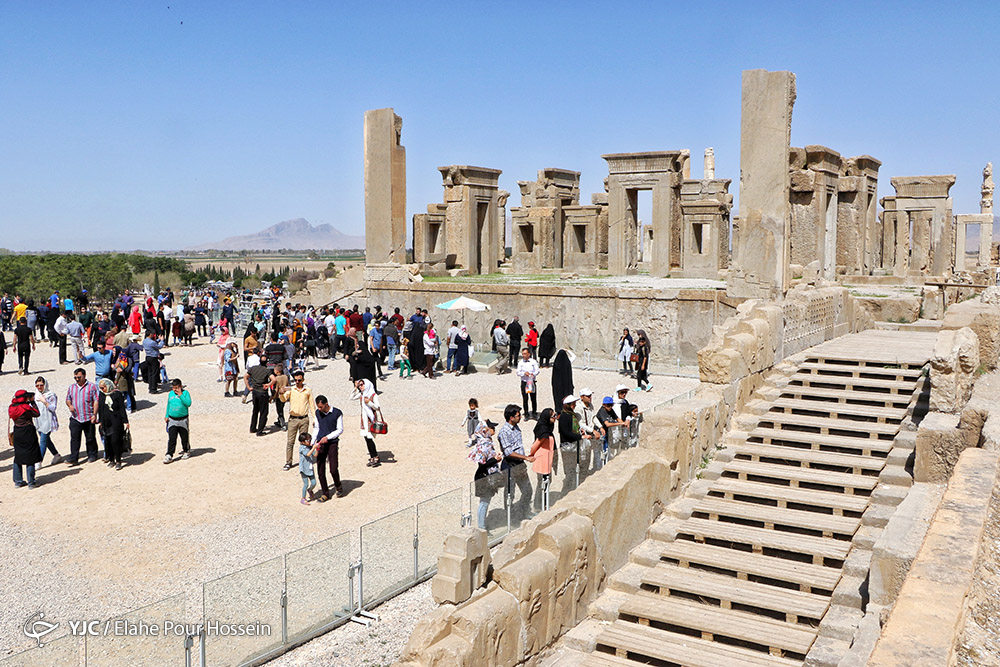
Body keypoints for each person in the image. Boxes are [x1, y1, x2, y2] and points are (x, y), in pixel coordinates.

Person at [496, 404, 534, 516]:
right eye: (518, 415)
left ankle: (521, 513)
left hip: (519, 464)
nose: (520, 417)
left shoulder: (516, 427)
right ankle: (510, 518)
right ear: (511, 418)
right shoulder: (504, 432)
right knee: (509, 494)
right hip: (510, 465)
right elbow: (508, 452)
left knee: (527, 490)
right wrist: (526, 457)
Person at [468, 419, 502, 529]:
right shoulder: (483, 444)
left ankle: (482, 527)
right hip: (484, 477)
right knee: (484, 503)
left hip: (487, 476)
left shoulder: (486, 441)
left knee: (485, 502)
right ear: (485, 430)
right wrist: (495, 460)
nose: (494, 429)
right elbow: (482, 464)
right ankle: (481, 528)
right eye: (491, 427)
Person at [311, 394, 345, 501]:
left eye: (321, 407)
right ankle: (325, 493)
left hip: (332, 443)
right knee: (320, 469)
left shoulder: (337, 413)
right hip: (321, 443)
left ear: (326, 404)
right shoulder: (318, 413)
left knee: (333, 468)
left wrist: (328, 437)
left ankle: (338, 486)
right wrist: (312, 442)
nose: (319, 409)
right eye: (318, 407)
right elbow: (317, 427)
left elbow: (340, 429)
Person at [282, 370, 314, 472]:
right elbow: (283, 399)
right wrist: (280, 393)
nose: (297, 382)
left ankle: (304, 460)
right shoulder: (291, 390)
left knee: (304, 441)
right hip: (293, 419)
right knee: (290, 442)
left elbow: (312, 405)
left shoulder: (308, 390)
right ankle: (288, 461)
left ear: (303, 380)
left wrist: (315, 418)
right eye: (295, 380)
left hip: (304, 418)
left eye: (299, 380)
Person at [8, 389, 41, 488]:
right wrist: (32, 402)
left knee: (18, 457)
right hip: (28, 432)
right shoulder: (25, 407)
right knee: (30, 457)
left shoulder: (12, 407)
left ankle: (18, 481)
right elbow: (37, 413)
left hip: (17, 431)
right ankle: (31, 482)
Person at [98, 377, 129, 470]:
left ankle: (118, 460)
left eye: (103, 387)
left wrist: (125, 421)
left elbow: (122, 409)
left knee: (115, 441)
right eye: (101, 388)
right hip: (106, 422)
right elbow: (100, 408)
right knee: (108, 442)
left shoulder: (117, 394)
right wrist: (100, 421)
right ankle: (111, 460)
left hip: (116, 422)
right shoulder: (102, 395)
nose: (102, 389)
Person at [530, 408, 557, 512]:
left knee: (547, 481)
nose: (555, 418)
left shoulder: (548, 427)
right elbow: (535, 445)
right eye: (553, 416)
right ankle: (538, 505)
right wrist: (530, 455)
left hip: (547, 459)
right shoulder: (543, 430)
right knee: (542, 482)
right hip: (542, 459)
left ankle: (544, 503)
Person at [351, 378, 382, 467]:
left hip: (370, 419)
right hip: (364, 419)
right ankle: (372, 456)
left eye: (362, 385)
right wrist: (355, 388)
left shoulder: (373, 395)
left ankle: (375, 456)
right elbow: (352, 398)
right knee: (366, 438)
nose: (361, 387)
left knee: (370, 438)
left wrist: (369, 403)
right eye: (360, 385)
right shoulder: (362, 394)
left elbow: (377, 407)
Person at [33, 377, 62, 465]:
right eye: (37, 385)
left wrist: (45, 402)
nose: (39, 387)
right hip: (39, 421)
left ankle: (39, 461)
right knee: (46, 440)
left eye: (41, 385)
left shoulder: (51, 395)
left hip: (48, 421)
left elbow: (53, 408)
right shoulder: (36, 395)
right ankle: (56, 455)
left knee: (42, 441)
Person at [163, 378, 192, 463]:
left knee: (184, 437)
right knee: (172, 438)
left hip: (183, 419)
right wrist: (166, 415)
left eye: (176, 388)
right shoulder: (170, 394)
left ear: (180, 386)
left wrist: (181, 395)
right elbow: (169, 404)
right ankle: (169, 454)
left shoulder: (185, 393)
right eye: (173, 388)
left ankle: (186, 450)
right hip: (172, 420)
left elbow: (188, 403)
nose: (175, 389)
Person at [246, 355, 274, 436]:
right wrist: (268, 385)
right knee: (263, 412)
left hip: (255, 392)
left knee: (255, 410)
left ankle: (253, 428)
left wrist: (248, 387)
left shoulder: (253, 368)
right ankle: (260, 431)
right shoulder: (267, 370)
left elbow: (245, 376)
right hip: (262, 393)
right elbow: (274, 379)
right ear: (267, 362)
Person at [516, 348, 539, 419]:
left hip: (531, 381)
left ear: (529, 354)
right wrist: (524, 373)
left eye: (525, 354)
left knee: (533, 398)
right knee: (525, 398)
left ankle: (534, 412)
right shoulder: (520, 363)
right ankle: (526, 413)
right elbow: (518, 372)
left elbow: (537, 371)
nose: (523, 355)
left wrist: (533, 374)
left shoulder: (533, 361)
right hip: (524, 382)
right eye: (523, 354)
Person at [298, 432, 318, 505]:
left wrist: (317, 449)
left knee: (314, 483)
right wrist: (313, 448)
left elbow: (315, 455)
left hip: (310, 468)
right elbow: (308, 454)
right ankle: (303, 498)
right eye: (308, 440)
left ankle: (310, 490)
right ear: (303, 442)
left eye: (310, 439)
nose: (310, 441)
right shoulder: (302, 448)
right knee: (305, 484)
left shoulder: (310, 447)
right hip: (303, 469)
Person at [271, 364, 289, 431]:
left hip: (278, 396)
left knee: (279, 411)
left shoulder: (276, 379)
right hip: (285, 396)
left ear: (277, 371)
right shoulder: (285, 377)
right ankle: (279, 421)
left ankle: (283, 424)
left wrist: (272, 398)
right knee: (282, 408)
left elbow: (276, 390)